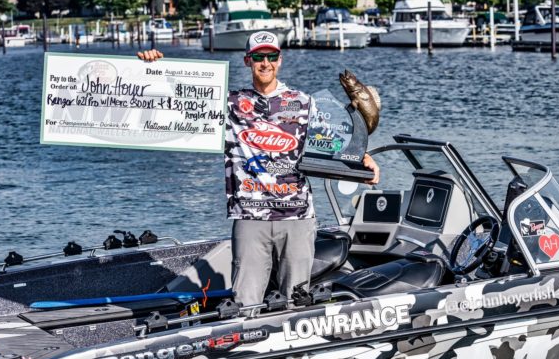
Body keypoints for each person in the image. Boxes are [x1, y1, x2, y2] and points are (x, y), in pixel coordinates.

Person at [138, 31, 379, 310]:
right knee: (245, 304)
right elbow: (177, 104)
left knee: (297, 302)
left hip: (297, 216)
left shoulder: (305, 103)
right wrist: (155, 69)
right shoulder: (229, 104)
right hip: (249, 216)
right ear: (247, 61)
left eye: (271, 56)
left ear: (280, 60)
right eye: (258, 57)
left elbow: (334, 143)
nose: (265, 63)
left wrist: (364, 159)